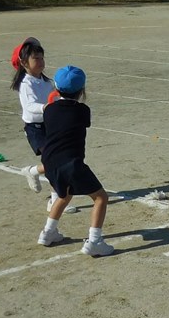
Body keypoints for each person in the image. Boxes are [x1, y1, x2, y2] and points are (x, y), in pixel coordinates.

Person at [37, 66, 114, 257]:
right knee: (101, 198)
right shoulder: (82, 110)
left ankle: (48, 233)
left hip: (49, 162)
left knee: (64, 195)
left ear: (56, 87)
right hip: (71, 162)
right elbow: (82, 121)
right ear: (81, 91)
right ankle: (95, 241)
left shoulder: (49, 110)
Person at [10, 36, 78, 214]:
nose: (40, 62)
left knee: (57, 161)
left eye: (41, 58)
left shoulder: (46, 81)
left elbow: (56, 97)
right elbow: (30, 108)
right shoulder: (25, 84)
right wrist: (46, 107)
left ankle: (33, 172)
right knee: (55, 162)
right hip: (36, 129)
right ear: (24, 63)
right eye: (35, 58)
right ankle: (53, 201)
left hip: (50, 125)